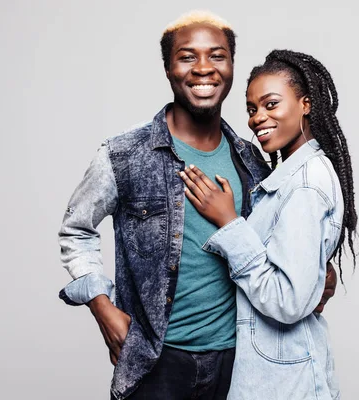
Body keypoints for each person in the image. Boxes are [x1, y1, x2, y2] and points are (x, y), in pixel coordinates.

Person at [58, 11, 337, 400]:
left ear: (232, 66)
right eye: (187, 57)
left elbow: (281, 244)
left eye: (217, 56)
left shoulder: (252, 162)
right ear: (169, 68)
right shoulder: (123, 155)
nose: (203, 68)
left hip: (239, 362)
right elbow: (76, 230)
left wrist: (319, 269)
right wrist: (102, 307)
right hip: (156, 362)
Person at [179, 49, 358, 399]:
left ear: (306, 104)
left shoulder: (306, 184)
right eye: (251, 109)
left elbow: (287, 302)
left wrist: (229, 223)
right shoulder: (291, 177)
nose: (257, 118)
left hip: (284, 383)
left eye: (271, 104)